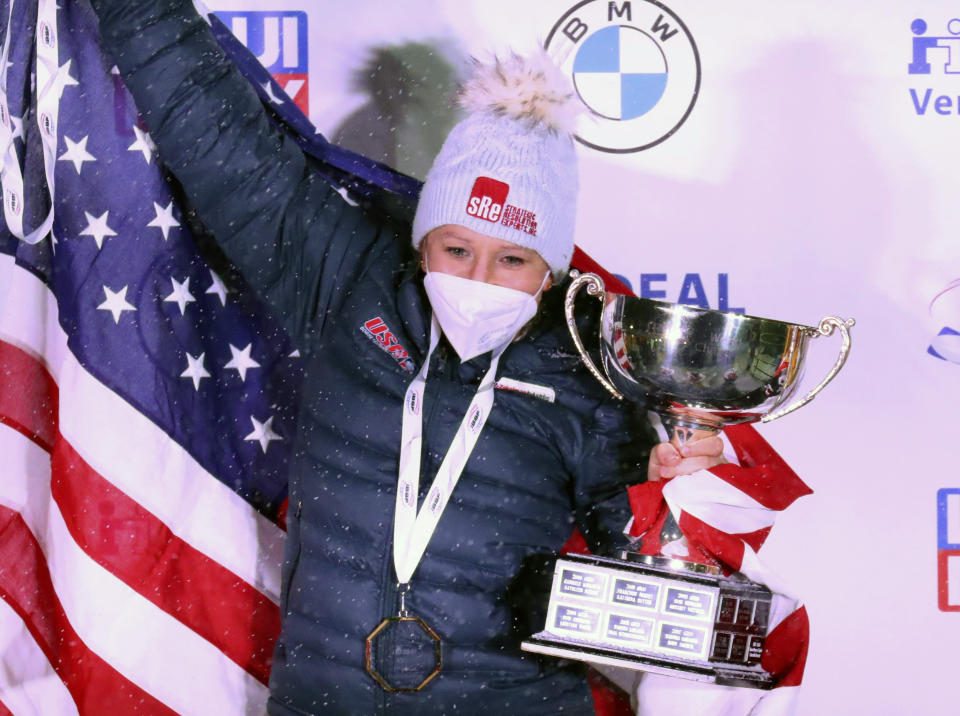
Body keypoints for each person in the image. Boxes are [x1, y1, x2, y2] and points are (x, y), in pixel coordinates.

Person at [89, 1, 728, 713]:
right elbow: (216, 135)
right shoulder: (343, 282)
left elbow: (654, 596)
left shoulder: (594, 366)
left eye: (512, 259)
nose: (477, 281)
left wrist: (664, 497)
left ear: (549, 271)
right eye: (456, 249)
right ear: (424, 238)